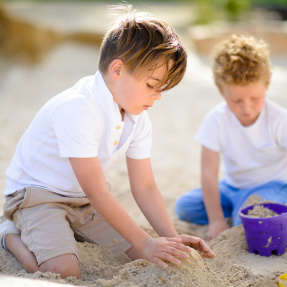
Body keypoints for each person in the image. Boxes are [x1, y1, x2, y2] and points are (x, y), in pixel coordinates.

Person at [0, 5, 215, 279]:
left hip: (83, 202)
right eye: (151, 85)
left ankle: (66, 234)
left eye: (162, 89)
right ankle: (8, 235)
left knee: (145, 256)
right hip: (38, 198)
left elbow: (145, 186)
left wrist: (171, 239)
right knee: (64, 272)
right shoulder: (78, 108)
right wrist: (146, 241)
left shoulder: (137, 117)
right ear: (117, 70)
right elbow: (97, 192)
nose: (157, 96)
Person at [175, 34, 287, 241]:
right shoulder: (216, 119)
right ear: (222, 92)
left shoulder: (279, 119)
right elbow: (208, 174)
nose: (246, 107)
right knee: (185, 207)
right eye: (236, 100)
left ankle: (249, 211)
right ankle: (237, 209)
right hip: (231, 187)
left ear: (266, 86)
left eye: (255, 98)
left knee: (249, 221)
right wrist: (216, 219)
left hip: (271, 185)